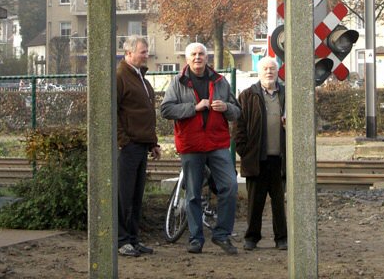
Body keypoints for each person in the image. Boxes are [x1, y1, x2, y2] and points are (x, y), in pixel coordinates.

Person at [161, 42, 241, 255]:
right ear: (187, 59)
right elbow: (166, 109)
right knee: (194, 195)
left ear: (207, 58)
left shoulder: (220, 82)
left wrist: (226, 108)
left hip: (217, 144)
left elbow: (237, 111)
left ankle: (222, 234)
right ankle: (196, 239)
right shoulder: (177, 82)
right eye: (194, 54)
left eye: (201, 54)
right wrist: (193, 108)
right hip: (191, 145)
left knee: (230, 186)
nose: (198, 57)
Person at [234, 56, 287, 251]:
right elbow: (239, 127)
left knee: (279, 203)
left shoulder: (286, 94)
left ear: (277, 71)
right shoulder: (248, 95)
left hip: (280, 160)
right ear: (259, 71)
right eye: (265, 68)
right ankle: (251, 238)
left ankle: (281, 238)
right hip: (256, 159)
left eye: (272, 68)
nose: (269, 72)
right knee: (255, 202)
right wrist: (246, 152)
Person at [116, 35, 161, 257]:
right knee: (124, 195)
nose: (147, 55)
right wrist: (122, 141)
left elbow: (144, 113)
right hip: (128, 146)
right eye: (143, 52)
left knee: (135, 195)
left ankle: (133, 239)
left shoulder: (140, 78)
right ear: (129, 53)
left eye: (146, 51)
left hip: (140, 145)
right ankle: (122, 240)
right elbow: (112, 111)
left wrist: (152, 143)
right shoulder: (120, 77)